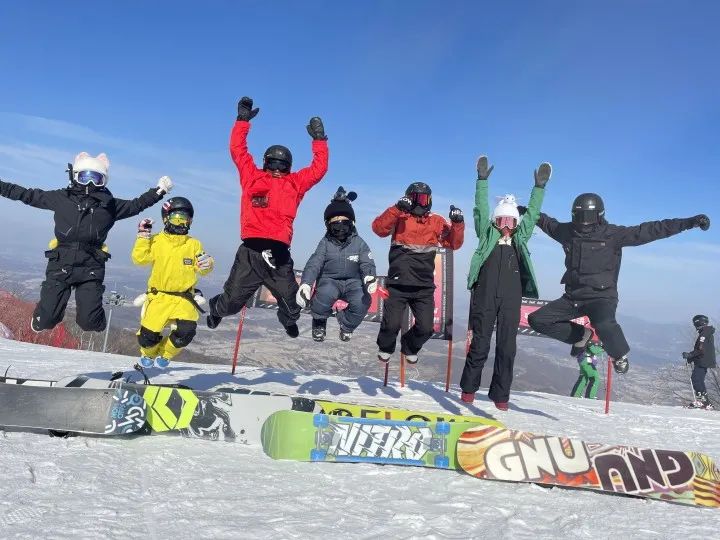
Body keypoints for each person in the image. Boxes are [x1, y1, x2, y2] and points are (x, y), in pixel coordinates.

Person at [527, 193, 710, 375]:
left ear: (599, 216)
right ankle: (581, 336)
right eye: (579, 216)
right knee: (537, 320)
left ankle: (619, 355)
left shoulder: (613, 235)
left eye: (587, 217)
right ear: (574, 215)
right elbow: (546, 222)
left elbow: (653, 229)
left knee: (605, 324)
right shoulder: (567, 232)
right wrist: (527, 211)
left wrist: (690, 222)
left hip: (601, 296)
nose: (583, 222)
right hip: (573, 296)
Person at [0, 152, 171, 332]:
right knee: (46, 320)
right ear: (75, 176)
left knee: (90, 323)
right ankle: (45, 316)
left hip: (91, 264)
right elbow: (26, 195)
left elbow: (137, 204)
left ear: (104, 181)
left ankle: (93, 319)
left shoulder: (110, 205)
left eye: (96, 179)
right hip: (61, 261)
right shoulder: (61, 198)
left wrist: (159, 191)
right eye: (85, 177)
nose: (90, 184)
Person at [206, 96, 329, 337]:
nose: (276, 169)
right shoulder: (252, 177)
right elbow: (238, 151)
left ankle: (287, 319)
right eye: (272, 164)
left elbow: (319, 169)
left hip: (279, 255)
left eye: (282, 166)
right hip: (250, 253)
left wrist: (319, 140)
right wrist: (242, 121)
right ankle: (216, 311)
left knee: (294, 305)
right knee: (231, 303)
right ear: (265, 163)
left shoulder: (295, 184)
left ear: (289, 167)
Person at [459, 156, 551, 410]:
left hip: (511, 297)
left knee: (507, 348)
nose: (507, 227)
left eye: (511, 222)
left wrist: (539, 188)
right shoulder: (487, 237)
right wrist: (482, 182)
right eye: (502, 222)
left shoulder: (520, 240)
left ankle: (501, 396)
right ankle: (468, 389)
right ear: (495, 222)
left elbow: (532, 215)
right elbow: (480, 210)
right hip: (485, 295)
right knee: (480, 344)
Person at [372, 181, 464, 364]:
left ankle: (410, 346)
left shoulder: (436, 221)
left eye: (424, 199)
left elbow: (453, 243)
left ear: (429, 201)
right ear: (408, 198)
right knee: (391, 325)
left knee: (426, 328)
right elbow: (379, 229)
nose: (420, 203)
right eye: (416, 199)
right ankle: (386, 347)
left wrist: (457, 223)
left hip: (423, 286)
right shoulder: (400, 217)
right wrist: (397, 208)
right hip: (398, 283)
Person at [131, 197, 214, 368]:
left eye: (183, 217)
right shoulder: (156, 241)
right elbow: (139, 259)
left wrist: (208, 264)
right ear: (166, 218)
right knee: (147, 337)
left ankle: (166, 354)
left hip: (184, 298)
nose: (179, 221)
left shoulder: (193, 244)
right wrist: (143, 237)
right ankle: (149, 353)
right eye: (175, 216)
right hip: (159, 297)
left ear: (189, 221)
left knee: (186, 332)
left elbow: (203, 268)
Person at [296, 187, 376, 342]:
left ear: (352, 224)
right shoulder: (325, 243)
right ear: (328, 226)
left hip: (354, 282)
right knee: (323, 295)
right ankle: (319, 322)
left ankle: (346, 325)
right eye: (335, 226)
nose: (340, 230)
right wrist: (306, 284)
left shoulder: (359, 243)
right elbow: (315, 262)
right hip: (330, 280)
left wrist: (369, 277)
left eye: (344, 225)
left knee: (362, 302)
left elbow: (367, 261)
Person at [683, 314, 716, 409]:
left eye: (695, 323)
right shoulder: (706, 332)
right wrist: (691, 357)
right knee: (698, 380)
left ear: (698, 323)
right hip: (703, 360)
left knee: (696, 380)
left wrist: (690, 355)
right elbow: (701, 349)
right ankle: (705, 402)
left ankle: (702, 402)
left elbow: (701, 349)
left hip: (703, 361)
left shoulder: (704, 333)